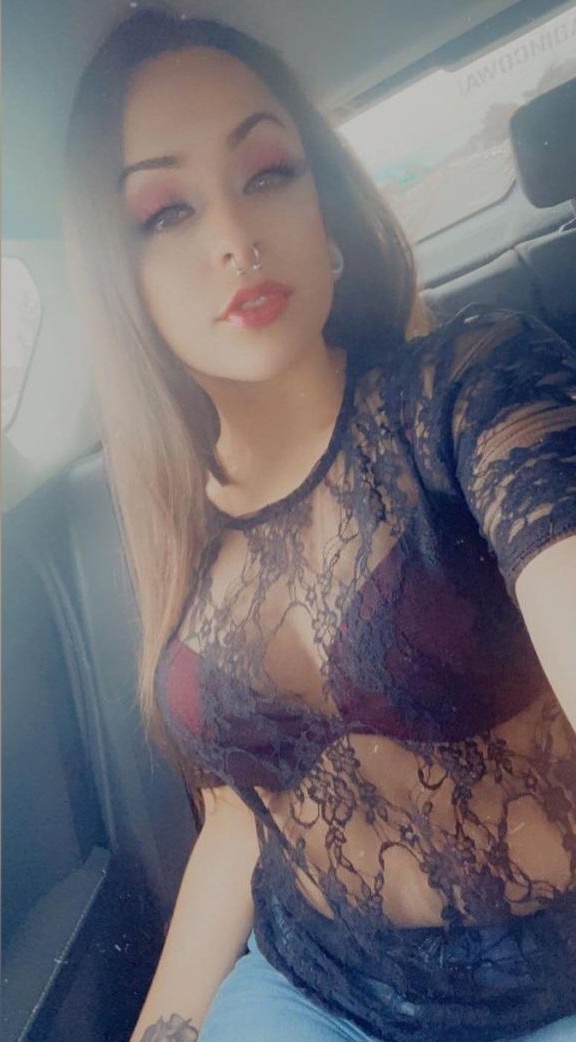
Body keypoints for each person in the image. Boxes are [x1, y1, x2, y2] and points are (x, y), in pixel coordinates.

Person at [63, 6, 576, 1042]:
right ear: (122, 286)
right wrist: (163, 1029)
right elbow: (239, 817)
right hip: (310, 992)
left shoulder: (472, 390)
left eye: (267, 174)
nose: (233, 238)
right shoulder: (171, 529)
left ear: (326, 210)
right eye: (166, 212)